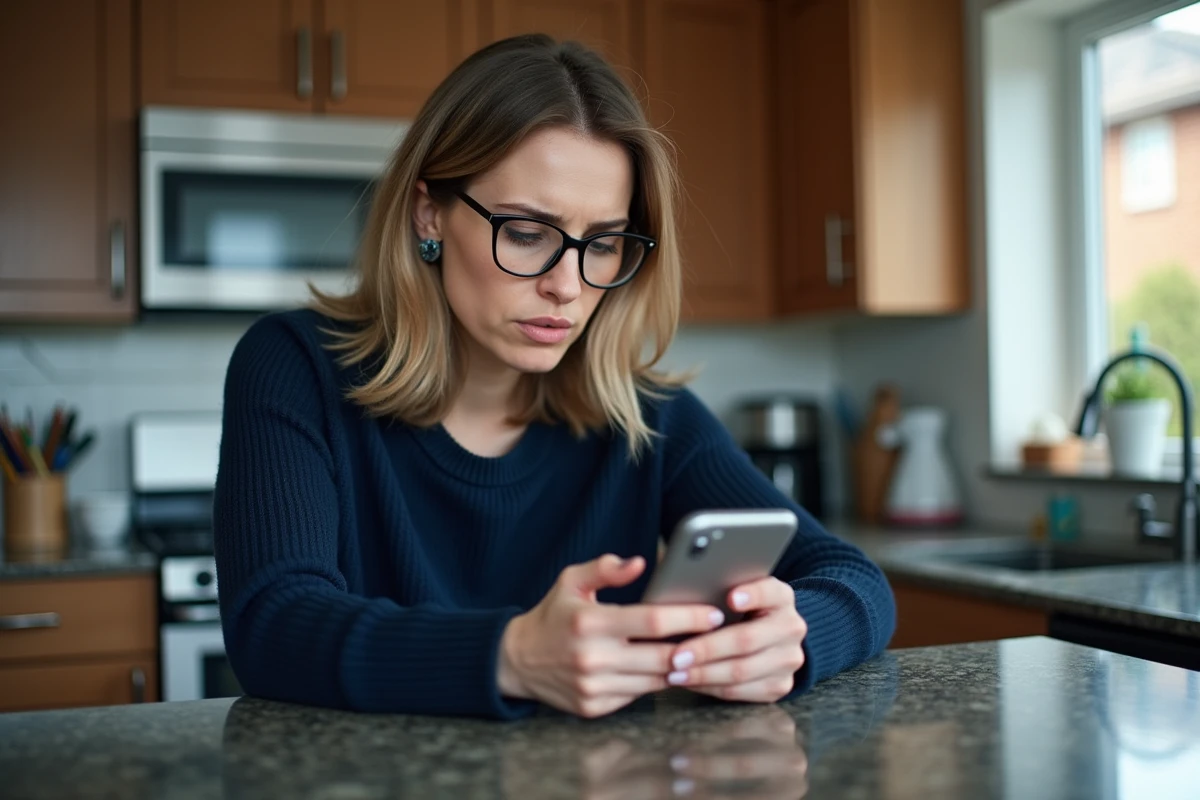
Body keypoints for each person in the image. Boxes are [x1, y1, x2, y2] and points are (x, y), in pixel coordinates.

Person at [212, 34, 895, 721]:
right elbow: (272, 625)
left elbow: (854, 579)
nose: (567, 285)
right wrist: (508, 655)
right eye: (527, 232)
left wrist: (795, 635)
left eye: (601, 244)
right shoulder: (293, 367)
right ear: (430, 215)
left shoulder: (644, 413)